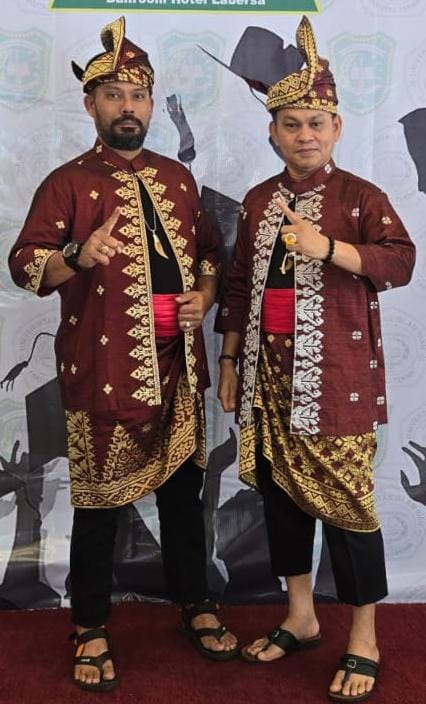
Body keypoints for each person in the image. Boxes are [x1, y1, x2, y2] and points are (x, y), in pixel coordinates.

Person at [9, 16, 238, 693]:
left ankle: (195, 603)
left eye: (138, 95)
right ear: (91, 106)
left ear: (151, 104)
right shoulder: (67, 183)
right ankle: (89, 624)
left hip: (180, 367)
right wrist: (77, 255)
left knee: (184, 497)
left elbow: (208, 252)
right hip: (104, 372)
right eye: (114, 95)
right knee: (98, 507)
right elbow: (26, 264)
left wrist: (202, 295)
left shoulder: (176, 179)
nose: (128, 107)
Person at [216, 16, 415, 703]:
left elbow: (401, 261)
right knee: (280, 501)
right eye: (292, 123)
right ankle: (300, 617)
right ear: (273, 131)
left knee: (351, 511)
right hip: (268, 378)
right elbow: (238, 284)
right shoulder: (256, 201)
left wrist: (327, 248)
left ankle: (364, 637)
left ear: (337, 130)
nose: (305, 134)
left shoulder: (361, 197)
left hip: (336, 383)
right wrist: (230, 360)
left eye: (317, 124)